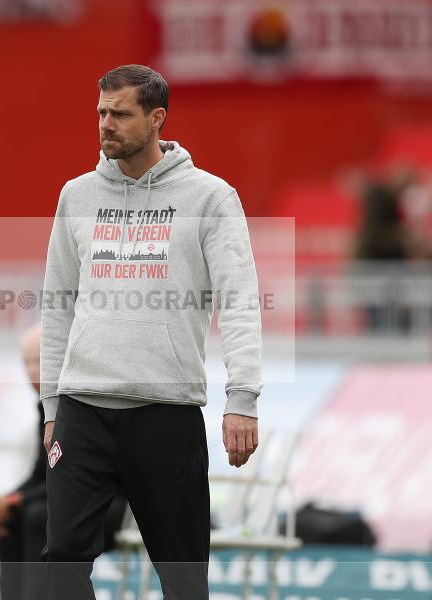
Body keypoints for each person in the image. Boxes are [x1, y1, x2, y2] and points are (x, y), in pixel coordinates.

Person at [40, 64, 262, 600]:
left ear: (157, 117)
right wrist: (51, 406)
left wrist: (243, 397)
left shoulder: (210, 198)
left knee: (184, 577)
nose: (105, 125)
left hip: (166, 412)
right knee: (59, 564)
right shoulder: (76, 195)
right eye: (100, 113)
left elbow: (239, 301)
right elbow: (56, 307)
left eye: (120, 114)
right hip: (83, 409)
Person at [0, 324, 127, 600]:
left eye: (40, 360)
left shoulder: (84, 403)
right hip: (75, 498)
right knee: (12, 521)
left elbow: (80, 479)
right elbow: (40, 476)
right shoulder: (45, 407)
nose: (32, 370)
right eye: (25, 362)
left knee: (38, 517)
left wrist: (11, 502)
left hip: (120, 505)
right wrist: (4, 504)